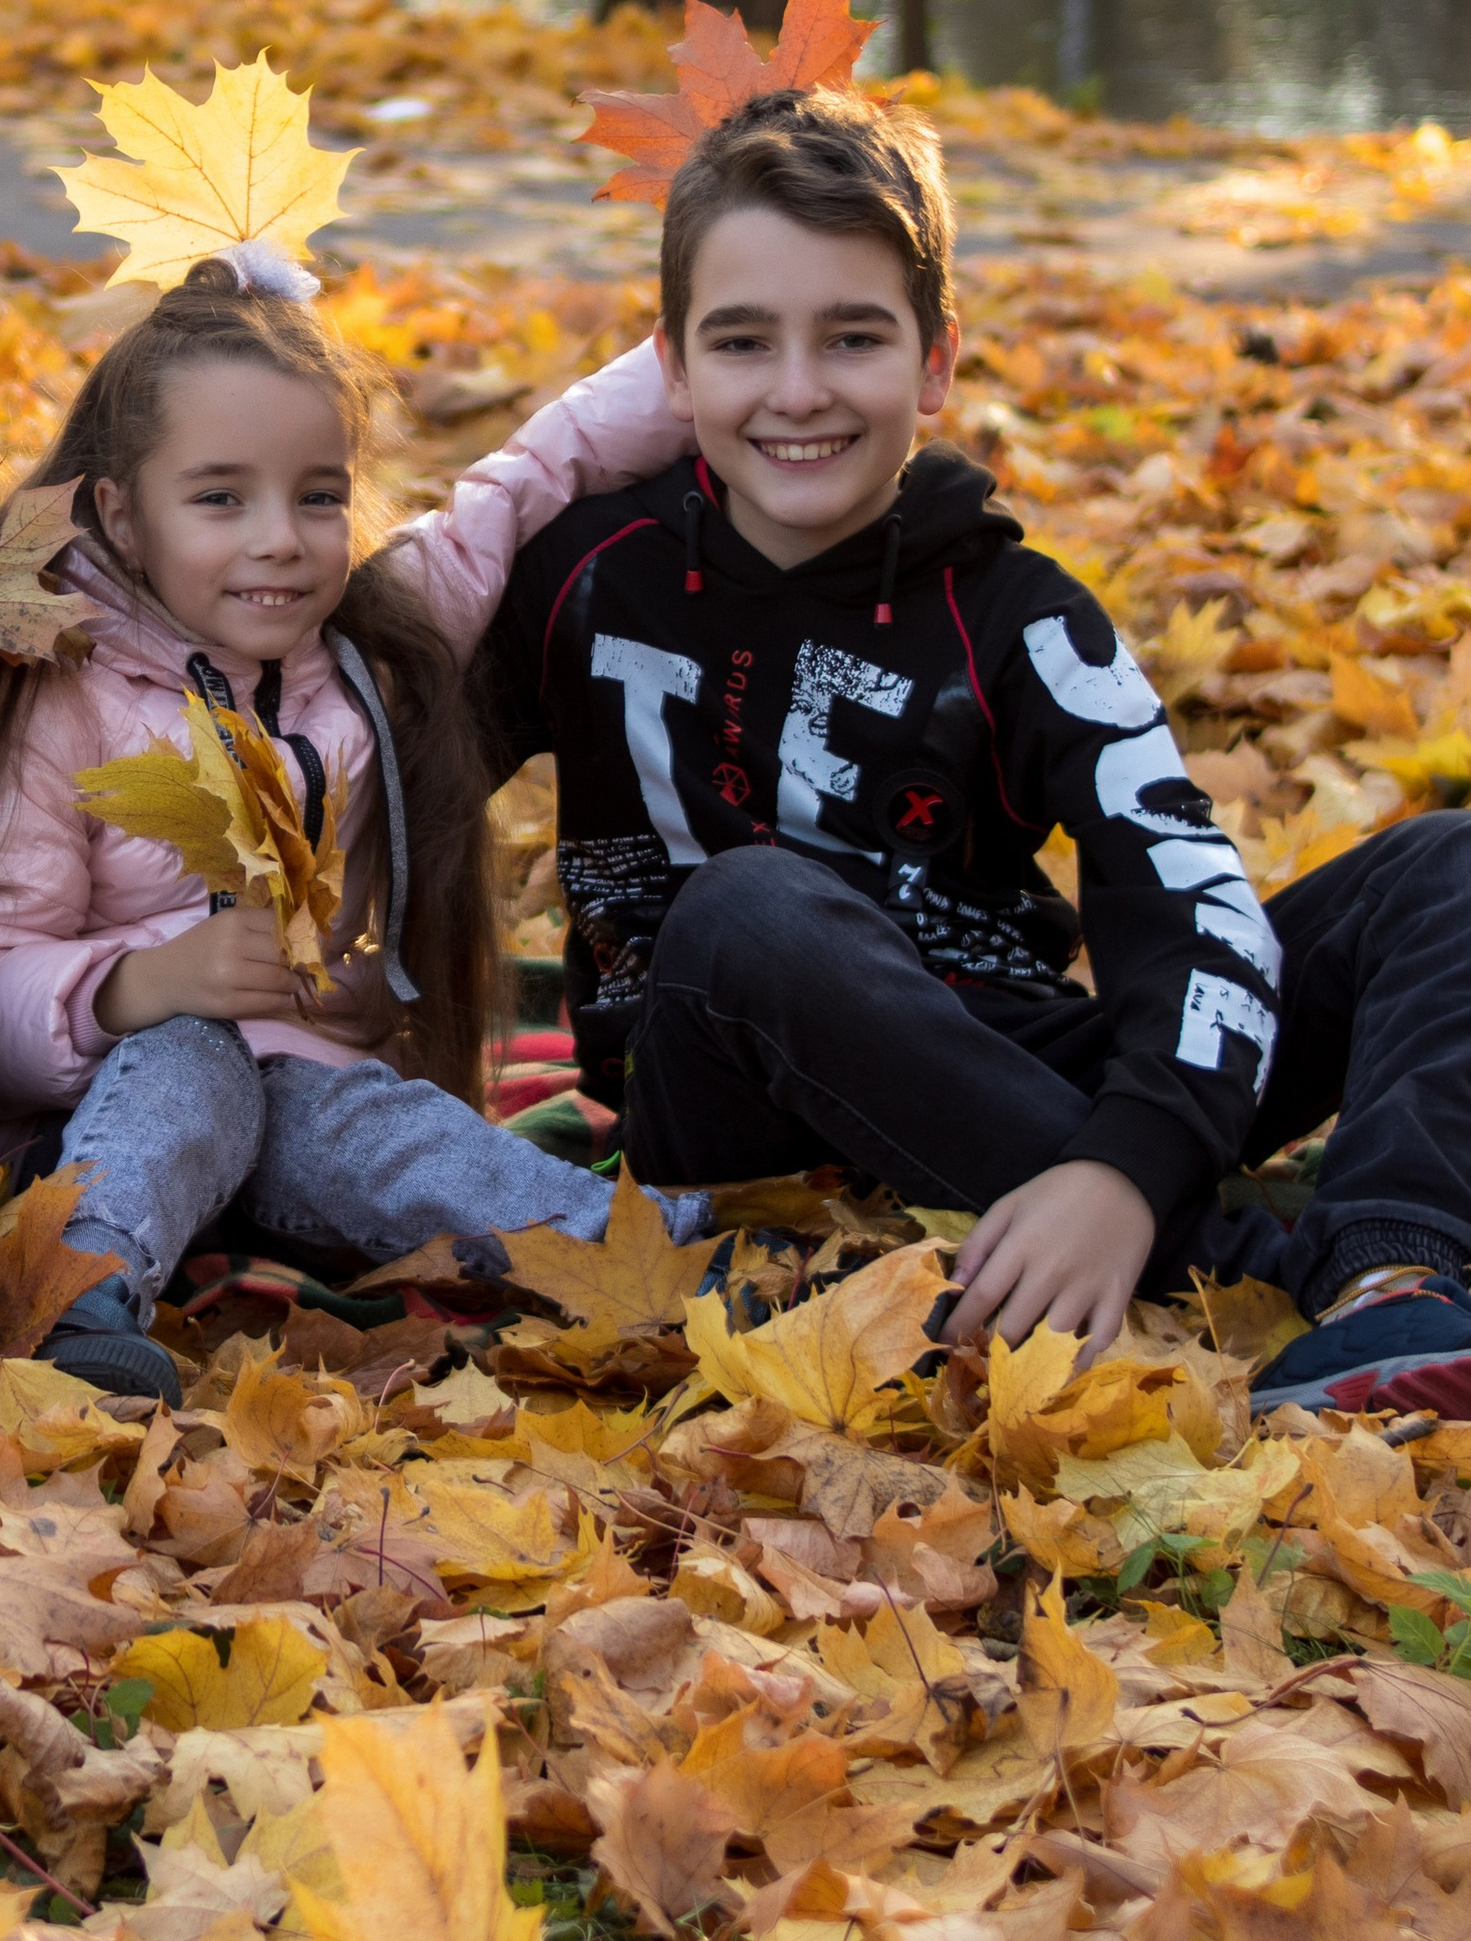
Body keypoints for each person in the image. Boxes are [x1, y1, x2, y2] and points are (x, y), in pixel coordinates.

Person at [476, 85, 1471, 1406]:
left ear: (936, 360)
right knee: (746, 909)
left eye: (852, 338)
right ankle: (1246, 1267)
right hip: (726, 1099)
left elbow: (1189, 901)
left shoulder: (1018, 615)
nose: (797, 392)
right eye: (742, 343)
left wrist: (1125, 1154)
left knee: (1445, 868)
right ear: (670, 367)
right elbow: (371, 750)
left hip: (998, 1059)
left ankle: (1394, 1272)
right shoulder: (582, 576)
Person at [0, 250, 711, 1409]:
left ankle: (656, 1260)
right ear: (119, 514)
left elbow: (515, 488)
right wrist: (139, 984)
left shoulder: (360, 656)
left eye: (319, 494)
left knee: (392, 1133)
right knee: (196, 1053)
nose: (281, 539)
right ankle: (77, 1293)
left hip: (309, 1105)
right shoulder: (67, 694)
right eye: (219, 497)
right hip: (95, 1126)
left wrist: (700, 364)